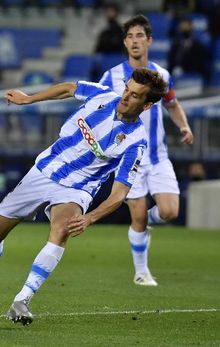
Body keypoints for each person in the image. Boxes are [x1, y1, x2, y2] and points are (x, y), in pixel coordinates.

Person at [0, 67, 167, 326]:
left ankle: (23, 299)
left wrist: (89, 218)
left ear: (146, 105)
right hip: (43, 171)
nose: (125, 97)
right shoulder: (102, 95)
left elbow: (119, 193)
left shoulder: (135, 143)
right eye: (127, 89)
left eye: (134, 96)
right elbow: (68, 88)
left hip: (76, 189)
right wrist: (29, 98)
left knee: (62, 229)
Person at [99, 14, 194, 286]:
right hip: (130, 159)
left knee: (170, 213)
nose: (134, 41)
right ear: (125, 43)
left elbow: (172, 104)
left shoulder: (162, 75)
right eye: (129, 36)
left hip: (158, 156)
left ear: (149, 40)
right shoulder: (113, 76)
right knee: (137, 216)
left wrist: (184, 127)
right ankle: (141, 272)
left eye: (139, 35)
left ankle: (146, 225)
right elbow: (100, 109)